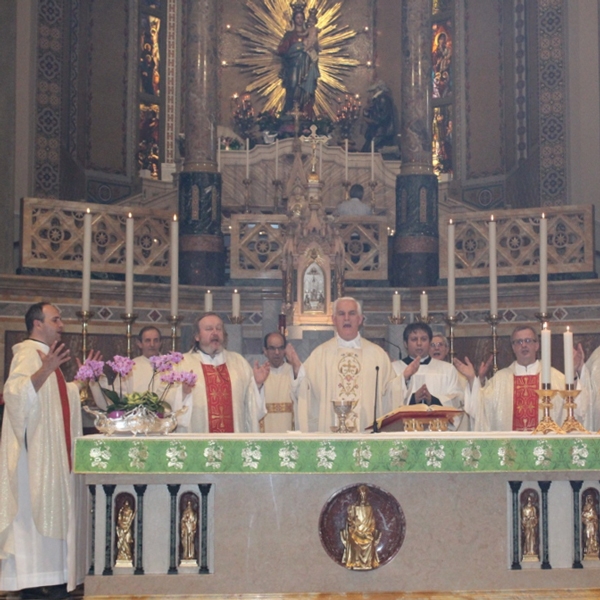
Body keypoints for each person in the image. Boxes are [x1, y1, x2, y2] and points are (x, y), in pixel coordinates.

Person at [0, 302, 92, 599]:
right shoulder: (28, 353)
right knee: (34, 520)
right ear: (37, 324)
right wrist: (45, 369)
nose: (61, 324)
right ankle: (36, 585)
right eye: (56, 319)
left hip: (53, 456)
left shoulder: (45, 357)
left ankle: (52, 583)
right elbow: (14, 395)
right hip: (34, 461)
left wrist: (83, 382)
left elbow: (60, 400)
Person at [454, 325, 590, 431]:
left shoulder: (555, 378)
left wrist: (573, 373)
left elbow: (579, 408)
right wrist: (472, 379)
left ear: (537, 345)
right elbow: (479, 410)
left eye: (528, 341)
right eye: (518, 342)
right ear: (513, 347)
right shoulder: (500, 380)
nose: (523, 345)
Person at [294, 297, 396, 432]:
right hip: (331, 434)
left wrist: (404, 380)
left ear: (360, 319)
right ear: (334, 320)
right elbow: (305, 390)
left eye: (352, 313)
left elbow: (391, 391)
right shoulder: (320, 355)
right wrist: (297, 370)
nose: (346, 318)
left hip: (366, 434)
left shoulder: (377, 355)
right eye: (341, 314)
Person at [172, 313, 268, 433]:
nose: (215, 333)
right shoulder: (182, 364)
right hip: (199, 441)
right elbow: (170, 408)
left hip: (233, 442)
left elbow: (252, 409)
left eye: (218, 328)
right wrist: (183, 393)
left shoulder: (238, 363)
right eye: (209, 329)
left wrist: (257, 385)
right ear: (197, 336)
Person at [392, 323, 463, 410]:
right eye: (414, 339)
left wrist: (433, 400)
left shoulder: (447, 369)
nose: (419, 343)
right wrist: (412, 399)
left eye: (424, 339)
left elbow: (457, 398)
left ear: (429, 342)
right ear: (405, 344)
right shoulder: (394, 368)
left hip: (438, 422)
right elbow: (389, 400)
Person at [277, 4, 319, 117]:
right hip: (293, 66)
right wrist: (297, 49)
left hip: (306, 66)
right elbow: (282, 51)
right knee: (292, 85)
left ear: (304, 19)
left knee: (306, 90)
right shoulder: (290, 35)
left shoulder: (310, 34)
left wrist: (311, 48)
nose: (299, 20)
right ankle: (290, 111)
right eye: (297, 17)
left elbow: (316, 49)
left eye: (301, 17)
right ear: (294, 19)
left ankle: (305, 112)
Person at [260, 332, 302, 432]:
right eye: (272, 348)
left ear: (285, 350)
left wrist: (296, 364)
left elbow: (304, 396)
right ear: (265, 351)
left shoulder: (294, 372)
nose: (277, 352)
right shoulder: (260, 375)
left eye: (280, 348)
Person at [341, 485, 380, 570]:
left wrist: (369, 530)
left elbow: (372, 522)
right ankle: (356, 563)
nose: (363, 497)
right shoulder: (353, 508)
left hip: (367, 533)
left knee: (370, 543)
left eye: (364, 495)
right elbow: (349, 521)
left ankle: (368, 563)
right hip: (355, 532)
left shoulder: (369, 508)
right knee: (354, 542)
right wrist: (354, 525)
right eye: (361, 495)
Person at [361, 80, 397, 152]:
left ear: (377, 89)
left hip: (381, 132)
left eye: (371, 92)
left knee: (368, 151)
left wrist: (370, 121)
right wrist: (366, 111)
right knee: (366, 151)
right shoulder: (377, 99)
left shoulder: (383, 98)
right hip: (376, 132)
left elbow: (383, 117)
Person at [115, 500, 135, 564]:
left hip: (127, 527)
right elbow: (119, 518)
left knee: (127, 541)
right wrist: (121, 524)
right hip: (122, 527)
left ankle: (128, 555)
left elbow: (130, 519)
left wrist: (127, 525)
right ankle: (121, 555)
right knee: (121, 542)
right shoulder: (121, 510)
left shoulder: (130, 511)